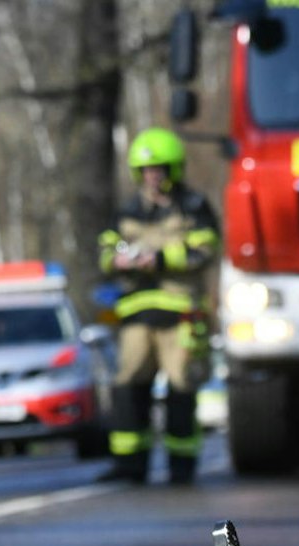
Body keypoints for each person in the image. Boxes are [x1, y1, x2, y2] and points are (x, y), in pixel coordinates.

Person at [97, 127, 221, 485]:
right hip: (137, 314)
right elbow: (105, 250)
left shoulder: (194, 208)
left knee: (182, 387)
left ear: (173, 170)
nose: (153, 176)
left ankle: (181, 466)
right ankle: (129, 464)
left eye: (160, 169)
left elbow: (205, 248)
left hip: (181, 314)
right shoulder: (127, 212)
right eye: (147, 170)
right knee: (128, 385)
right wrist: (117, 261)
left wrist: (162, 258)